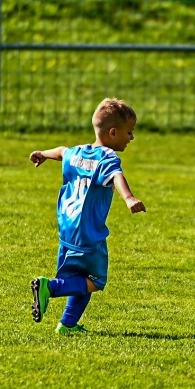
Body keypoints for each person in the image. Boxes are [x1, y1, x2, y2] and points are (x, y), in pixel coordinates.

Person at [28, 98, 146, 334]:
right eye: (129, 132)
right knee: (96, 281)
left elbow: (62, 152)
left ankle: (67, 325)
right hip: (89, 233)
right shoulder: (107, 158)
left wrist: (43, 154)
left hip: (67, 228)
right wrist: (129, 198)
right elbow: (116, 176)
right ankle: (50, 287)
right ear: (113, 133)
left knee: (82, 279)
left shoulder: (77, 152)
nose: (132, 137)